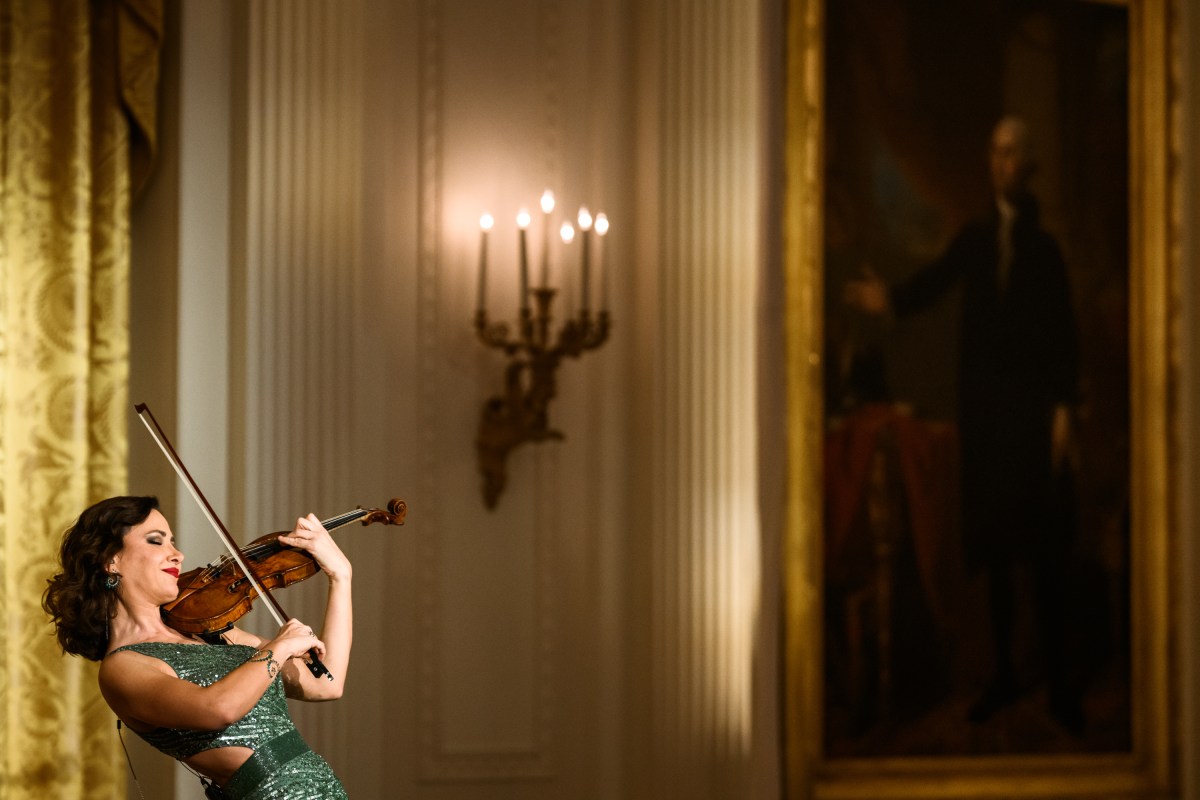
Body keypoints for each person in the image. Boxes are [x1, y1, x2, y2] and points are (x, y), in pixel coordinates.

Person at [844, 115, 1084, 732]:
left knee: (1047, 554)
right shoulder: (975, 239)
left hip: (1034, 418)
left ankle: (1061, 687)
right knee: (998, 553)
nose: (1004, 163)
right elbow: (935, 282)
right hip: (988, 419)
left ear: (1028, 165)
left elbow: (1063, 337)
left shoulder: (1046, 249)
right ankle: (1004, 674)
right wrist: (890, 301)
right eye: (996, 152)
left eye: (1015, 153)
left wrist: (1062, 412)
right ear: (989, 161)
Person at [43, 495, 353, 799]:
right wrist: (279, 647)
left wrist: (341, 576)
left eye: (173, 542)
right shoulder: (122, 667)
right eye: (156, 541)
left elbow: (326, 684)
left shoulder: (207, 632)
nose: (177, 554)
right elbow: (218, 709)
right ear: (110, 560)